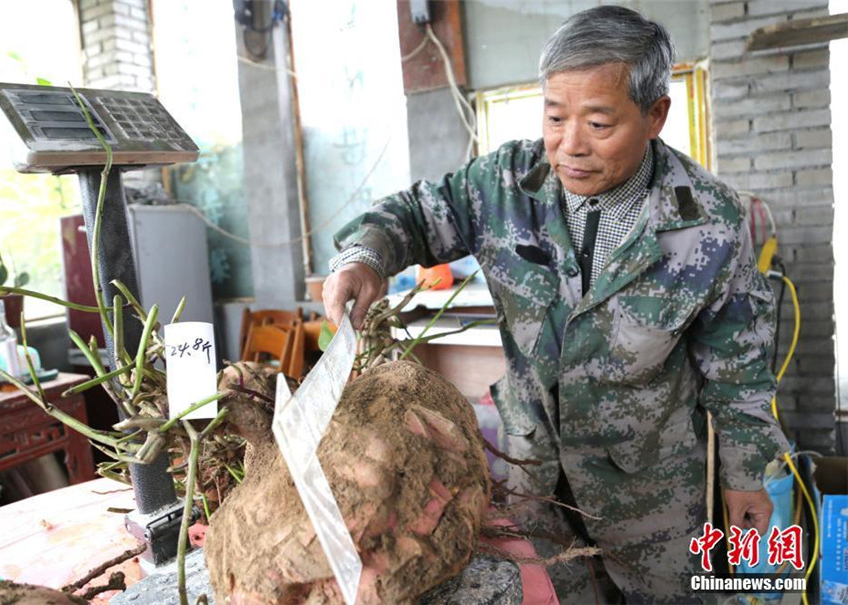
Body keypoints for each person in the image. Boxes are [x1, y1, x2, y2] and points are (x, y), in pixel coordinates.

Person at [323, 5, 790, 602]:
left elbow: (738, 373)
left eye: (598, 124)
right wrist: (361, 256)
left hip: (651, 492)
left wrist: (748, 477)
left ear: (655, 115)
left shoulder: (707, 222)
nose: (570, 146)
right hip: (533, 478)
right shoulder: (505, 185)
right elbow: (412, 214)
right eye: (553, 116)